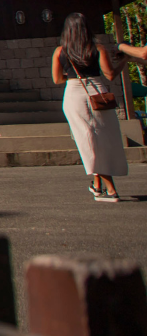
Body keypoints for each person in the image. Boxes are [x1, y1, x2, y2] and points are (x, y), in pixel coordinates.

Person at [52, 13, 128, 202]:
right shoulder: (98, 49)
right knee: (103, 138)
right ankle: (98, 185)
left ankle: (110, 189)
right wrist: (124, 61)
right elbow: (110, 75)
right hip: (98, 93)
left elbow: (57, 79)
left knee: (87, 140)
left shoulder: (60, 51)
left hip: (74, 94)